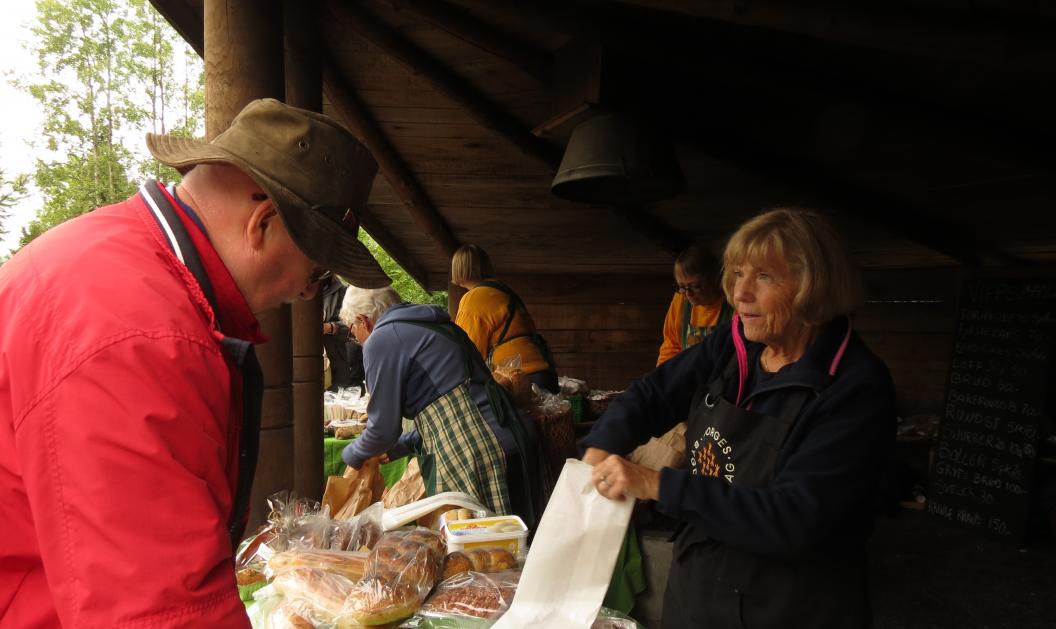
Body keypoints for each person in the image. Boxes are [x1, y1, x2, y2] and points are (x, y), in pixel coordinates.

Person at [0, 99, 388, 628]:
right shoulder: (142, 333)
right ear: (263, 225)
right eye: (316, 275)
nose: (309, 294)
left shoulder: (116, 264)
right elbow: (161, 613)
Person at [582, 208, 896, 629]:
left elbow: (793, 519)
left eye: (763, 277)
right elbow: (652, 394)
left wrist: (656, 483)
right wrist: (601, 448)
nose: (739, 293)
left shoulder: (854, 388)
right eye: (738, 274)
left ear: (813, 286)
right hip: (699, 592)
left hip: (789, 608)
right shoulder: (734, 347)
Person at [339, 287, 550, 530]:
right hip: (515, 435)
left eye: (352, 331)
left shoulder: (382, 338)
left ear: (362, 320)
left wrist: (352, 455)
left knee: (485, 551)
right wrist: (405, 445)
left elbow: (383, 430)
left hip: (478, 452)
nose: (355, 338)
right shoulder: (438, 325)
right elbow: (456, 401)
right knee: (524, 543)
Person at [450, 243, 559, 393]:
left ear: (458, 270)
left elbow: (468, 350)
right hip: (544, 374)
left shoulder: (474, 298)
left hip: (518, 381)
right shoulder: (502, 292)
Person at [656, 245, 734, 366]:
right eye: (681, 287)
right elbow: (671, 345)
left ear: (715, 279)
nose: (688, 294)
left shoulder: (733, 304)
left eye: (695, 286)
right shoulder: (681, 299)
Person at [320, 274, 366, 390]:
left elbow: (357, 325)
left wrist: (332, 327)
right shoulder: (298, 291)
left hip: (340, 362)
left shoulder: (344, 293)